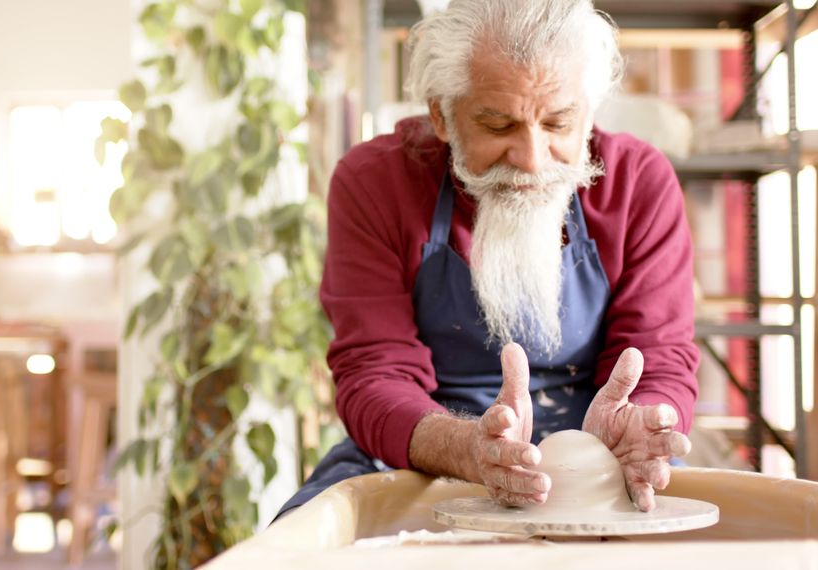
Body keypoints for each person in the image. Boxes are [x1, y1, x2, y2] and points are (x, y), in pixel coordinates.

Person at [277, 0, 699, 518]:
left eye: (558, 123)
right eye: (499, 126)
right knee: (297, 540)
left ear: (588, 112)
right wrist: (468, 448)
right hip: (420, 450)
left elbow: (660, 356)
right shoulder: (374, 183)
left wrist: (646, 424)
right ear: (441, 114)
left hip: (598, 456)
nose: (532, 158)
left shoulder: (638, 183)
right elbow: (373, 373)